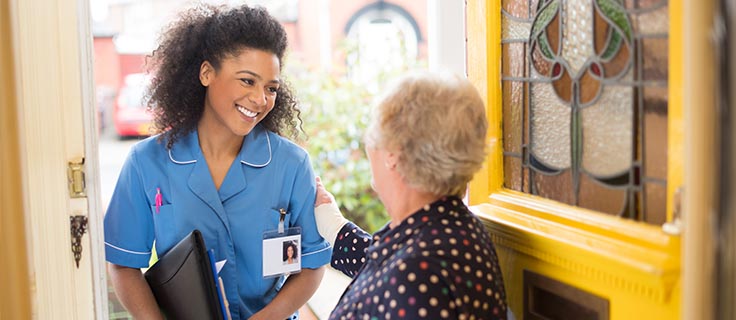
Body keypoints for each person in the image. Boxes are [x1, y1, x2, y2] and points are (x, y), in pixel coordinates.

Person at [103, 4, 330, 320]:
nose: (261, 99)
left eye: (271, 88)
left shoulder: (291, 164)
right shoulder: (147, 162)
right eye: (247, 81)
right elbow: (124, 264)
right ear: (207, 73)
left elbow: (311, 264)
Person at [313, 72, 508, 319]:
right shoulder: (450, 226)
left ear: (393, 152)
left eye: (373, 129)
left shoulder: (419, 274)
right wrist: (335, 228)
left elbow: (403, 277)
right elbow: (385, 266)